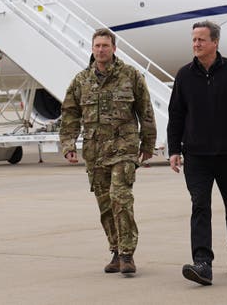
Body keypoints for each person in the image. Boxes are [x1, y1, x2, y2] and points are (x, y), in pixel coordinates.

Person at [60, 28, 156, 275]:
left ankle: (127, 254)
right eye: (97, 46)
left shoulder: (130, 76)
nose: (101, 50)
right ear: (92, 49)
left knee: (120, 197)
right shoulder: (81, 81)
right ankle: (115, 251)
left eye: (105, 45)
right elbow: (70, 114)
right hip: (95, 151)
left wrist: (148, 144)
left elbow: (145, 111)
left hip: (124, 148)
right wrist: (69, 145)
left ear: (114, 48)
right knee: (104, 204)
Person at [167, 20, 227, 286]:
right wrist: (174, 150)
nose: (196, 44)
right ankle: (202, 263)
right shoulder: (184, 75)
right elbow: (176, 115)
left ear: (215, 42)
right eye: (194, 40)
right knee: (200, 206)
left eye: (201, 40)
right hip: (196, 156)